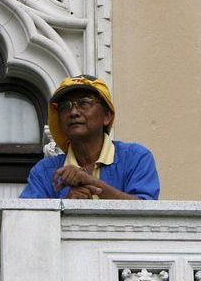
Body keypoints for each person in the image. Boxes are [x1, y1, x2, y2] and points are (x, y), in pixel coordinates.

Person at [20, 75, 160, 199]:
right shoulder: (44, 172)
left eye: (84, 103)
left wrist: (90, 182)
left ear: (107, 116)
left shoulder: (135, 158)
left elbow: (144, 212)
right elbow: (26, 220)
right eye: (65, 106)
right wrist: (66, 206)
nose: (73, 112)